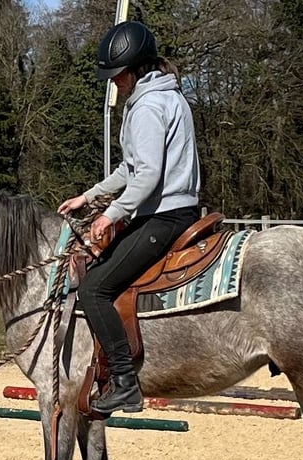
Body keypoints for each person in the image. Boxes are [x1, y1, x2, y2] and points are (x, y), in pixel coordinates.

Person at [58, 21, 201, 416]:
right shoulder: (165, 98)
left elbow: (148, 175)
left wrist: (111, 214)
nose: (115, 83)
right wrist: (88, 196)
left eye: (118, 75)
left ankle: (125, 382)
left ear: (136, 69)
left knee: (94, 289)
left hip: (164, 215)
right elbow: (130, 169)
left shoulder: (148, 107)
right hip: (173, 208)